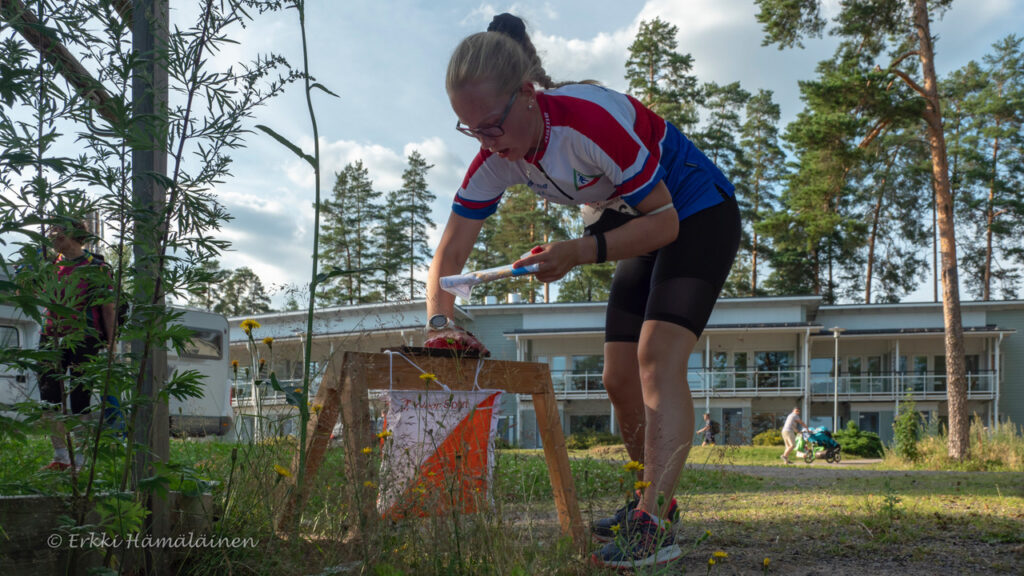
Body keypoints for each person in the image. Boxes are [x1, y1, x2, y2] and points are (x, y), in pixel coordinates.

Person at [425, 14, 740, 568]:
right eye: (469, 129)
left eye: (492, 126)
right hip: (634, 220)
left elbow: (665, 224)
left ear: (528, 94)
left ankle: (653, 520)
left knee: (656, 357)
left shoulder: (585, 122)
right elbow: (450, 255)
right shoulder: (495, 155)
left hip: (695, 211)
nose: (486, 143)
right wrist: (440, 328)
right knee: (618, 378)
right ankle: (651, 504)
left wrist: (577, 250)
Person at [37, 218, 117, 471]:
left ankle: (79, 461)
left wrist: (112, 345)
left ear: (73, 234)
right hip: (51, 336)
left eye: (57, 233)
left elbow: (108, 308)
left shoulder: (97, 267)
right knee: (49, 399)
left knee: (81, 399)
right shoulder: (49, 266)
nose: (52, 237)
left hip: (85, 337)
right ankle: (61, 456)